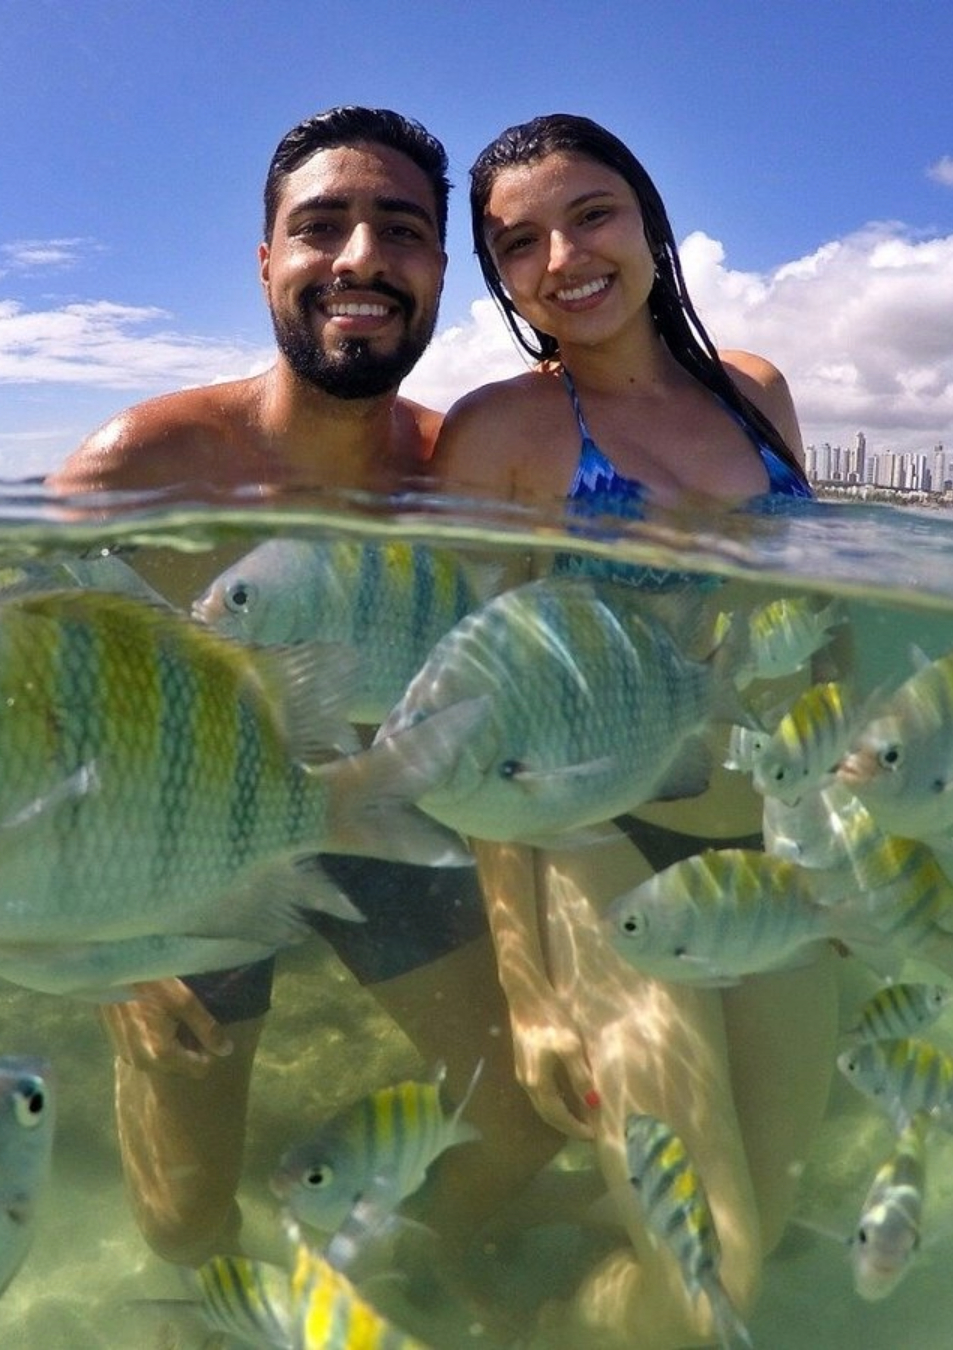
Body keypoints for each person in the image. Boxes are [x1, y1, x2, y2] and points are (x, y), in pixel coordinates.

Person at [49, 107, 565, 1301]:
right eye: (320, 225)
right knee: (183, 1230)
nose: (359, 258)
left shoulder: (461, 472)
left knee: (531, 1119)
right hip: (177, 839)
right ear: (265, 259)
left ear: (440, 269)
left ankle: (374, 1293)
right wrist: (113, 956)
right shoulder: (144, 465)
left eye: (400, 229)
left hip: (374, 805)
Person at [433, 113, 840, 1348]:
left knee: (763, 1218)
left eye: (591, 213)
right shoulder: (500, 435)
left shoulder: (756, 390)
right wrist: (529, 991)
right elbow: (472, 720)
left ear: (650, 222)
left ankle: (578, 1302)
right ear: (502, 279)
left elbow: (814, 625)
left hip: (769, 851)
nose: (563, 258)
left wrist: (847, 814)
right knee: (710, 1272)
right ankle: (545, 1326)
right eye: (517, 244)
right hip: (599, 848)